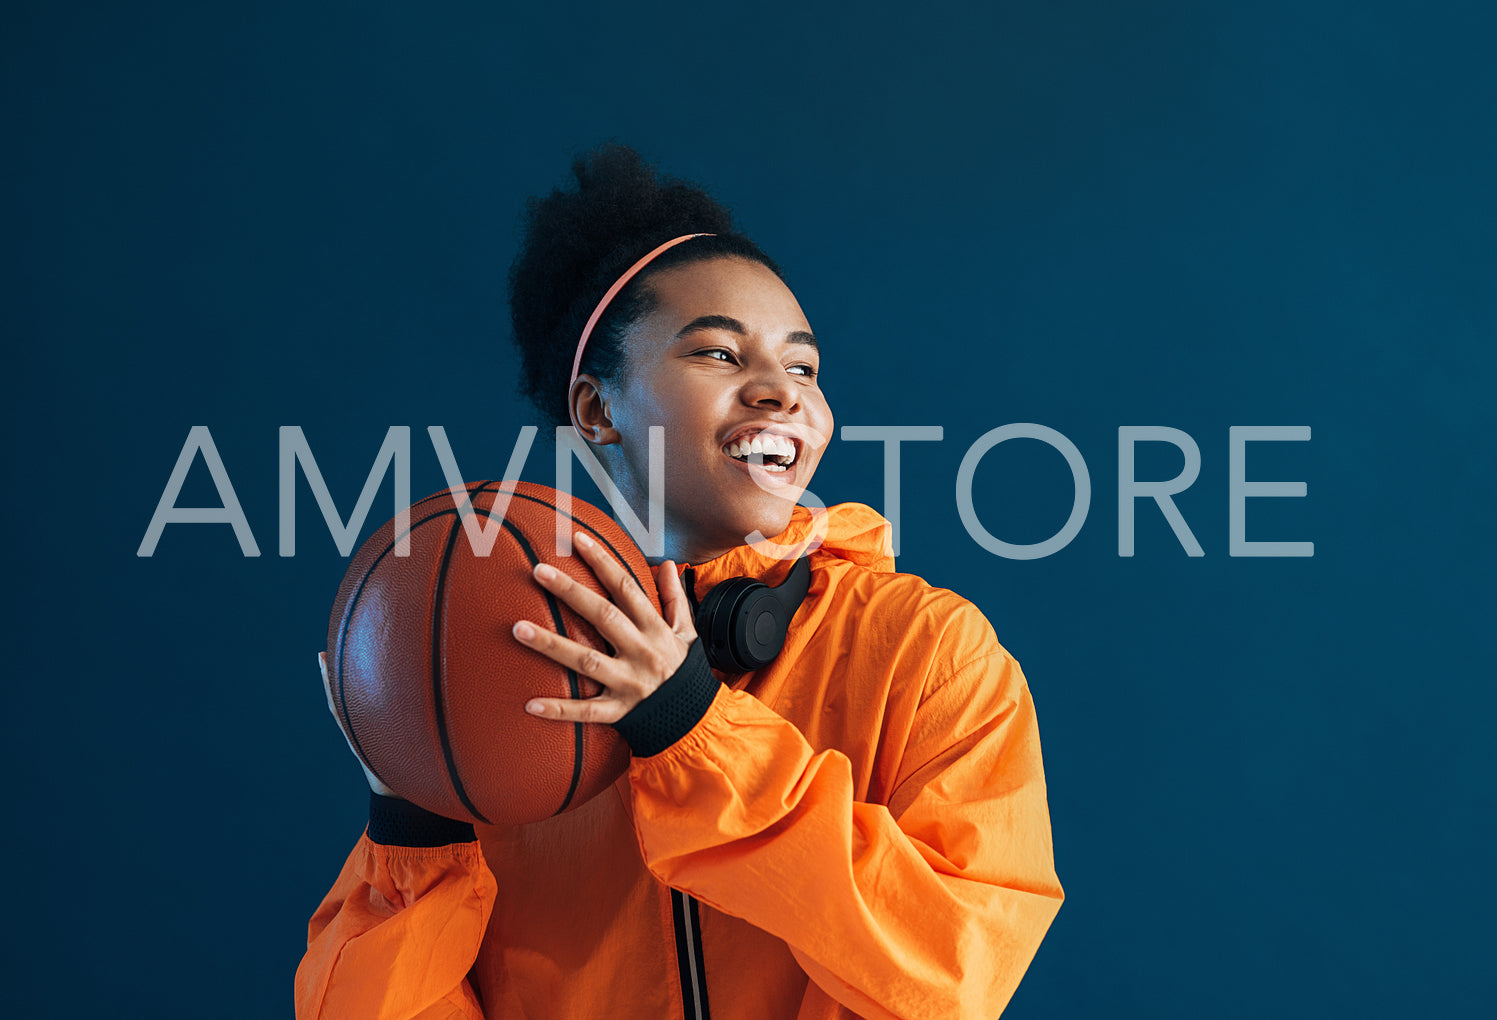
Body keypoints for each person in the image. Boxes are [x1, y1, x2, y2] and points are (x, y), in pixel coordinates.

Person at [296, 144, 1064, 1020]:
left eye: (803, 366)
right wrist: (417, 825)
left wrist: (690, 729)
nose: (780, 392)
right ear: (596, 410)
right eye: (718, 355)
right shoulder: (500, 672)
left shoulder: (927, 650)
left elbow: (956, 972)